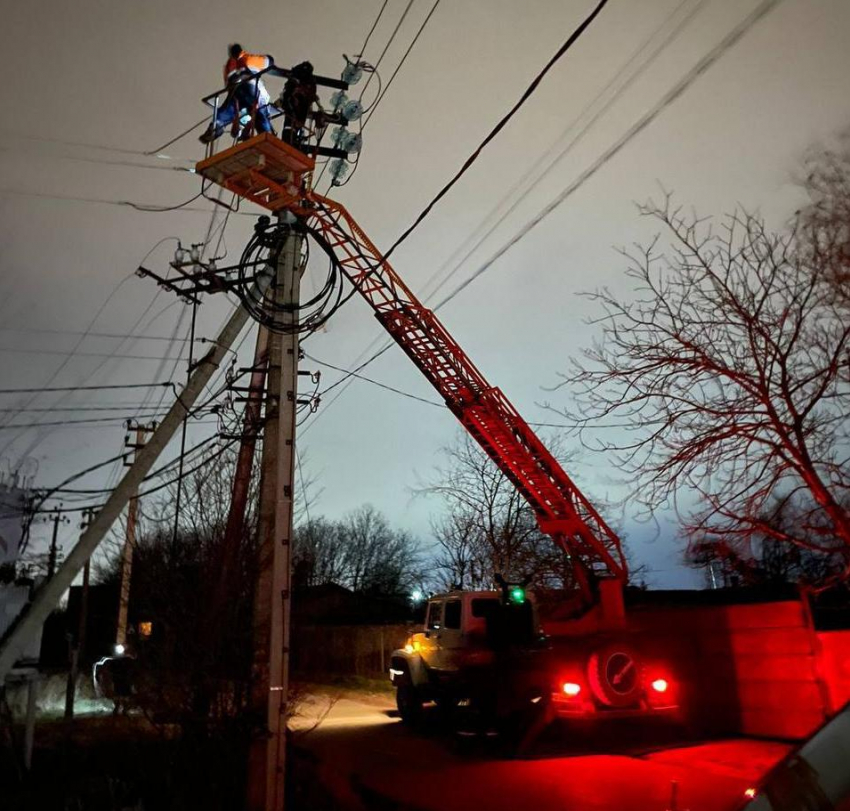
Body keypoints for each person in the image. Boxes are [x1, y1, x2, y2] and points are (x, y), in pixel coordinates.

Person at [199, 44, 276, 144]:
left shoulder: (228, 66)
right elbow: (268, 62)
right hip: (251, 88)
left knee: (227, 109)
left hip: (234, 90)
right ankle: (267, 134)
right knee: (261, 114)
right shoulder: (248, 59)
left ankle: (216, 125)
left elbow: (234, 133)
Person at [280, 61, 321, 147]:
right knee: (290, 126)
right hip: (294, 110)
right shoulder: (297, 80)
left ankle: (292, 141)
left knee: (293, 126)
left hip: (298, 110)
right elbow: (287, 98)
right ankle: (291, 141)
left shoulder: (308, 82)